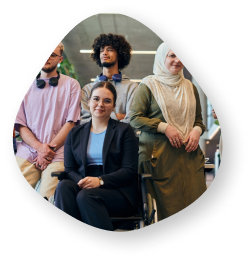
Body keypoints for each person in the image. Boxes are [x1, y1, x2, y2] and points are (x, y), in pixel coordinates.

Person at [130, 42, 207, 222]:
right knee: (167, 209)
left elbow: (198, 120)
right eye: (171, 55)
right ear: (162, 57)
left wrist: (196, 130)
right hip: (159, 159)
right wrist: (164, 127)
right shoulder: (148, 85)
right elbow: (134, 118)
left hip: (190, 158)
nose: (177, 60)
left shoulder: (190, 86)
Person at [54, 81, 139, 231]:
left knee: (86, 196)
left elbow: (129, 170)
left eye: (107, 101)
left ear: (113, 106)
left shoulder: (124, 130)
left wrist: (100, 181)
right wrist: (82, 182)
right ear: (89, 102)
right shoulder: (75, 133)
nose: (100, 104)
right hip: (84, 181)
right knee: (63, 187)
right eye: (96, 99)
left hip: (117, 190)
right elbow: (70, 169)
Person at [15, 42, 81, 200]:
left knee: (48, 199)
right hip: (27, 151)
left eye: (52, 54)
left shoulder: (72, 85)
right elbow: (21, 125)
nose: (47, 57)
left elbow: (71, 123)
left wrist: (47, 151)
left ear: (60, 59)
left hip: (57, 155)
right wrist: (39, 149)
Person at [81, 33, 138, 124]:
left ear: (119, 54)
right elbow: (84, 123)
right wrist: (116, 117)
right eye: (101, 50)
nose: (104, 53)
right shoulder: (87, 89)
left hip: (121, 138)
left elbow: (131, 122)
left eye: (110, 49)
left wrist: (99, 119)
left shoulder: (132, 88)